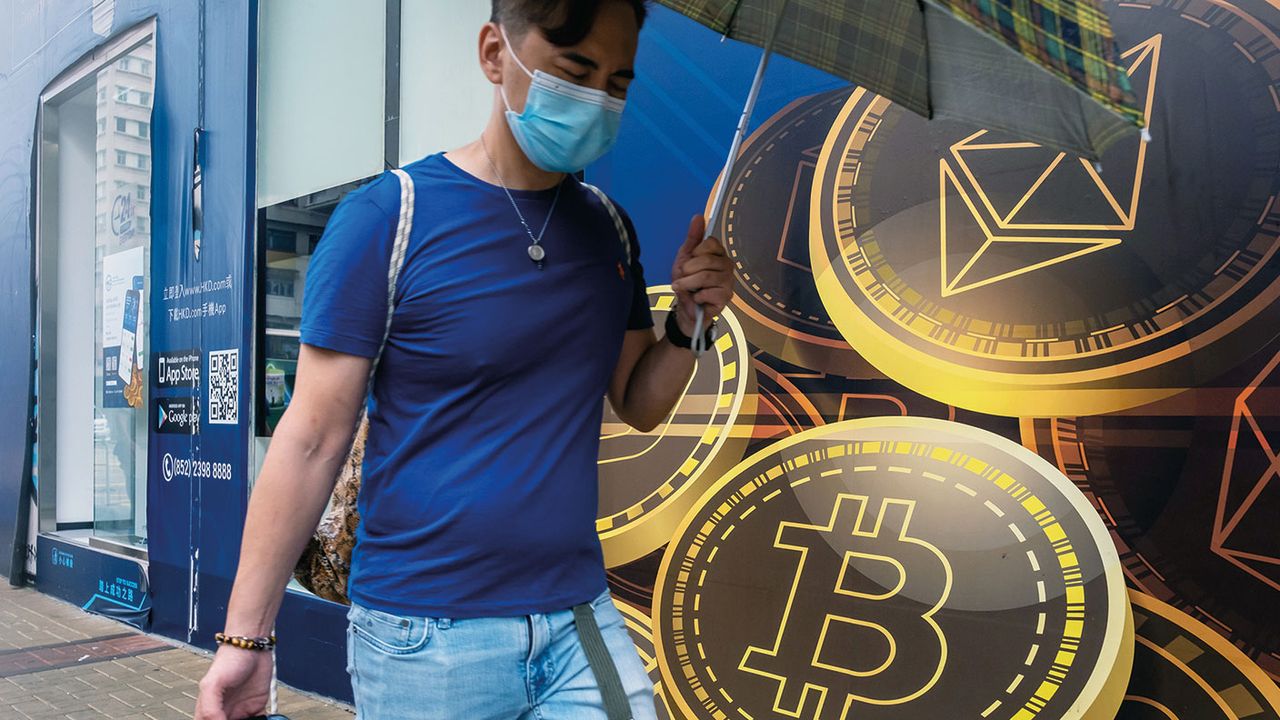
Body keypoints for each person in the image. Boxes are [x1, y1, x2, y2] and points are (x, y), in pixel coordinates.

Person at [194, 0, 734, 718]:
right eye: (575, 72)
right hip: (424, 634)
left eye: (618, 83)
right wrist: (246, 639)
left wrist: (690, 324)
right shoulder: (390, 218)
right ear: (493, 54)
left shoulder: (610, 231)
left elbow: (638, 401)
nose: (598, 101)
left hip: (577, 613)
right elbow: (312, 437)